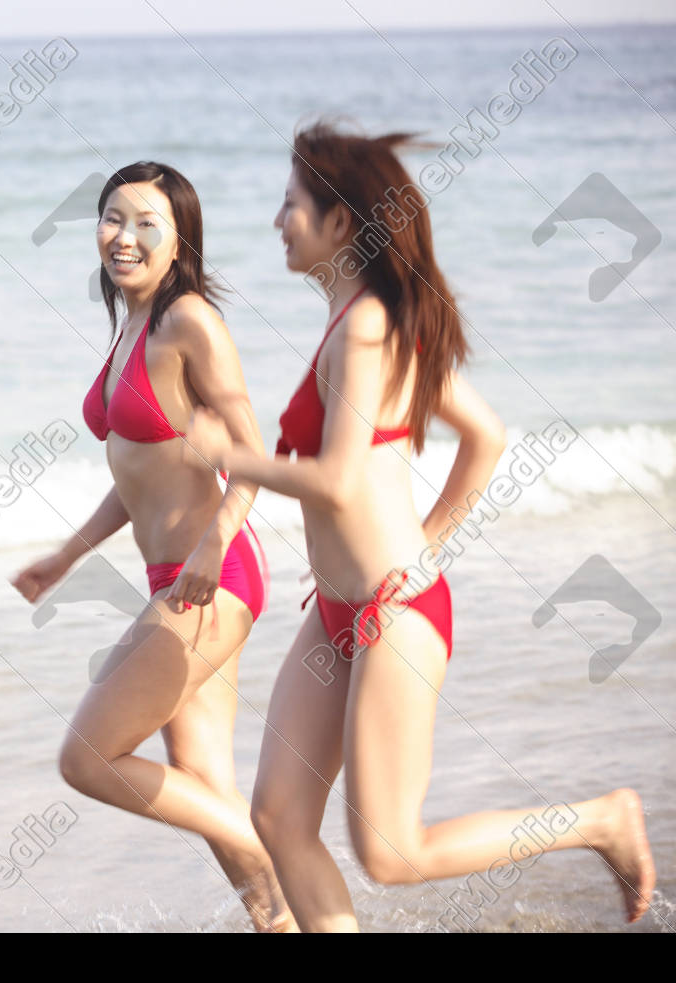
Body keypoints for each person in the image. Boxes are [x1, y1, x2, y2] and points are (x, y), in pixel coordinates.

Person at [184, 121, 655, 932]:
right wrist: (423, 541)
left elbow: (335, 480)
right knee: (279, 816)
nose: (275, 220)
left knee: (392, 852)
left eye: (290, 203)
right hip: (338, 615)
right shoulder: (359, 321)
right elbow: (487, 433)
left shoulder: (368, 325)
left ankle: (600, 819)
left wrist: (232, 453)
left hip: (393, 616)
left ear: (339, 224)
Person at [12, 162, 294, 932]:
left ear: (180, 242)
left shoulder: (189, 320)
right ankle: (284, 923)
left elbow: (251, 450)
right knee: (199, 776)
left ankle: (282, 850)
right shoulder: (132, 322)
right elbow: (140, 473)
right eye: (111, 218)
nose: (124, 236)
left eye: (146, 223)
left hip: (214, 576)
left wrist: (213, 544)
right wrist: (66, 555)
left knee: (88, 758)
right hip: (177, 574)